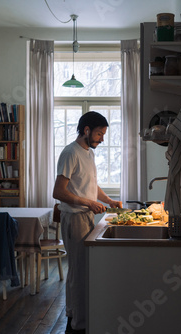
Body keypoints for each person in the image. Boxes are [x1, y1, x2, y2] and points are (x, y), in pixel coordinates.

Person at [53, 111, 122, 334]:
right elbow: (58, 192)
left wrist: (108, 201)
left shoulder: (88, 153)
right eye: (100, 134)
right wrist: (89, 203)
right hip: (74, 219)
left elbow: (91, 185)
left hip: (85, 217)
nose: (102, 139)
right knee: (79, 271)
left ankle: (75, 315)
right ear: (86, 130)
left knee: (80, 270)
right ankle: (79, 324)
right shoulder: (70, 153)